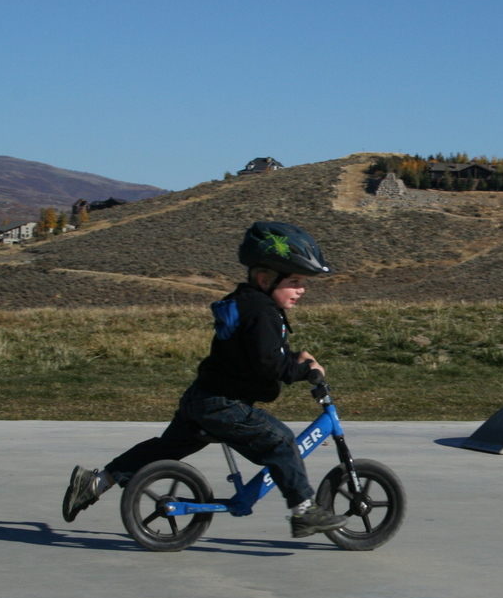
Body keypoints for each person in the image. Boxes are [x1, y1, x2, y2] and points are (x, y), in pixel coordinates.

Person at [62, 221, 349, 538]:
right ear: (265, 279)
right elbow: (267, 364)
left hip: (203, 398)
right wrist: (307, 371)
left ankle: (95, 482)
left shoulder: (248, 303)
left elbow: (255, 351)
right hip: (225, 405)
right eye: (294, 281)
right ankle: (305, 510)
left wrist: (294, 358)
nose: (301, 289)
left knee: (165, 449)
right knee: (281, 442)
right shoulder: (263, 311)